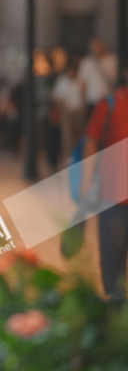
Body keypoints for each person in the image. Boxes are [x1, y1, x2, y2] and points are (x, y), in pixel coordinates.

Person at [81, 61, 128, 299]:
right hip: (113, 198)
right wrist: (86, 182)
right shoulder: (109, 104)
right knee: (113, 266)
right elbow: (91, 141)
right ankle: (116, 312)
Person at [52, 56, 86, 165]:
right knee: (67, 137)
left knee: (78, 136)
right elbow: (56, 95)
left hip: (78, 111)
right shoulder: (62, 81)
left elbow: (83, 96)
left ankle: (77, 158)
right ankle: (68, 159)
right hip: (67, 111)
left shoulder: (81, 81)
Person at [80, 38, 117, 119]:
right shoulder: (87, 62)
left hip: (108, 97)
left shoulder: (112, 60)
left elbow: (116, 79)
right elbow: (83, 84)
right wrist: (83, 102)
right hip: (92, 99)